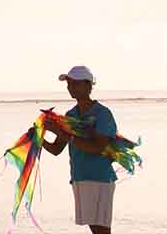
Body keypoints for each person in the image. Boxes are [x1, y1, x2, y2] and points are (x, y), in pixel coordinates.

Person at [42, 65, 117, 234]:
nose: (71, 88)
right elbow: (56, 149)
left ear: (89, 86)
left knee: (102, 230)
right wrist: (39, 139)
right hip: (79, 177)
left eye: (75, 84)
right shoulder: (71, 115)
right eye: (69, 84)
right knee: (93, 227)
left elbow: (98, 147)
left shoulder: (102, 114)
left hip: (100, 178)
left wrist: (62, 133)